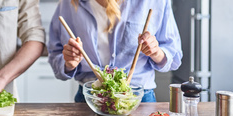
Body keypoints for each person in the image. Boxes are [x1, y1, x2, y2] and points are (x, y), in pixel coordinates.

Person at [48, 0, 182, 102]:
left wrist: (156, 52)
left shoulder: (154, 2)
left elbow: (174, 56)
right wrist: (68, 63)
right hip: (89, 99)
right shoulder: (68, 4)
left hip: (138, 99)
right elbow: (55, 54)